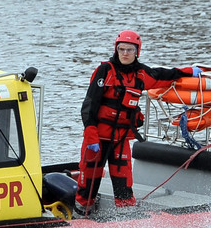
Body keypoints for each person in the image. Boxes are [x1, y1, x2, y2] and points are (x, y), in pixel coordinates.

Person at [74, 30, 201, 212]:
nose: (125, 53)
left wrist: (189, 72)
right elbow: (89, 106)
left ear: (137, 52)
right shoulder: (105, 71)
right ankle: (81, 211)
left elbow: (163, 75)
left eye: (129, 50)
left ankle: (126, 214)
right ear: (116, 50)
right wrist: (91, 136)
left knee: (123, 178)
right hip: (97, 138)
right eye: (121, 49)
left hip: (121, 138)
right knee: (90, 177)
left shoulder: (141, 74)